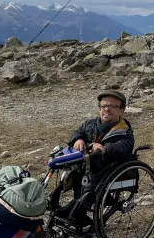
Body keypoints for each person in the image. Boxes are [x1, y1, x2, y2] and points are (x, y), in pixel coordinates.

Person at [56, 90, 134, 226]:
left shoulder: (124, 131)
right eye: (103, 106)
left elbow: (124, 147)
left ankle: (76, 215)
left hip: (108, 168)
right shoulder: (90, 124)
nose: (107, 109)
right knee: (68, 178)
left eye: (112, 106)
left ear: (122, 111)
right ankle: (72, 209)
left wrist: (105, 148)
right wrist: (78, 139)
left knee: (90, 186)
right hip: (86, 165)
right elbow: (77, 132)